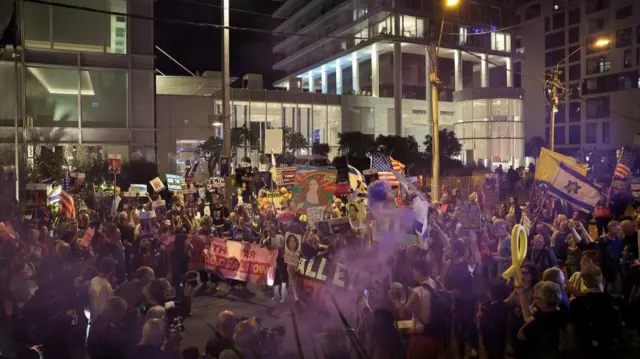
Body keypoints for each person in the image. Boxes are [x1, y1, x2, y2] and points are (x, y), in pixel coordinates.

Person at [569, 264, 627, 358]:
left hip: (587, 350)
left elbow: (572, 330)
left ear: (585, 281)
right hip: (613, 349)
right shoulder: (618, 301)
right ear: (601, 277)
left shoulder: (577, 303)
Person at [389, 259, 441, 359]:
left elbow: (402, 313)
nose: (413, 274)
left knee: (395, 326)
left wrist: (393, 300)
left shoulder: (418, 291)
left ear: (419, 271)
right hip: (434, 336)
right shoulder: (434, 283)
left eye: (413, 271)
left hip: (420, 338)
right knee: (396, 325)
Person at [517, 281, 569, 359]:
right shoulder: (561, 313)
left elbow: (521, 334)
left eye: (537, 297)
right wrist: (521, 294)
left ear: (545, 301)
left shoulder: (542, 321)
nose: (534, 299)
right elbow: (528, 317)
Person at [89, 256, 117, 321]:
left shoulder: (94, 280)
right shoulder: (106, 286)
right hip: (101, 322)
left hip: (93, 318)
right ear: (112, 269)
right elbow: (105, 308)